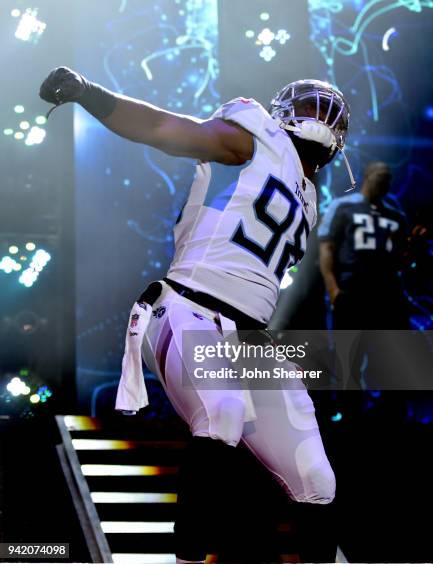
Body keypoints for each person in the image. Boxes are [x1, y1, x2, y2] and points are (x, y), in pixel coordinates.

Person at [40, 69, 352, 563]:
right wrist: (90, 94)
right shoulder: (253, 139)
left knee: (317, 478)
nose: (321, 116)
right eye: (311, 106)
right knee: (223, 412)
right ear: (284, 114)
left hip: (251, 337)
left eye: (327, 111)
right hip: (189, 306)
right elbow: (165, 130)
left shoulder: (311, 198)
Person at [318, 161, 409, 330]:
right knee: (348, 354)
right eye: (381, 176)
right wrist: (333, 291)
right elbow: (326, 247)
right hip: (351, 292)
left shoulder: (397, 217)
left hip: (387, 296)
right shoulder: (343, 206)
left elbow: (401, 258)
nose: (384, 182)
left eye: (388, 179)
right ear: (368, 176)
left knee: (383, 354)